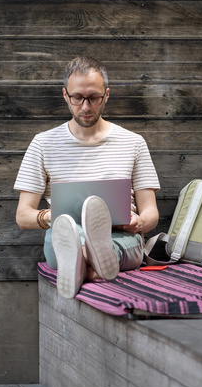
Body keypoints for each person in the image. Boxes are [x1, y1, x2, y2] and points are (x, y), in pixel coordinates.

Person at [14, 55, 160, 298]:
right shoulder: (43, 144)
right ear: (65, 95)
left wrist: (138, 222)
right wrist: (54, 216)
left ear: (106, 95)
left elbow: (151, 213)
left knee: (97, 247)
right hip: (66, 234)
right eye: (77, 98)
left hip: (122, 236)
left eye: (93, 98)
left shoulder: (133, 143)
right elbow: (22, 216)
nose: (85, 106)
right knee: (67, 239)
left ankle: (82, 265)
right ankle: (93, 264)